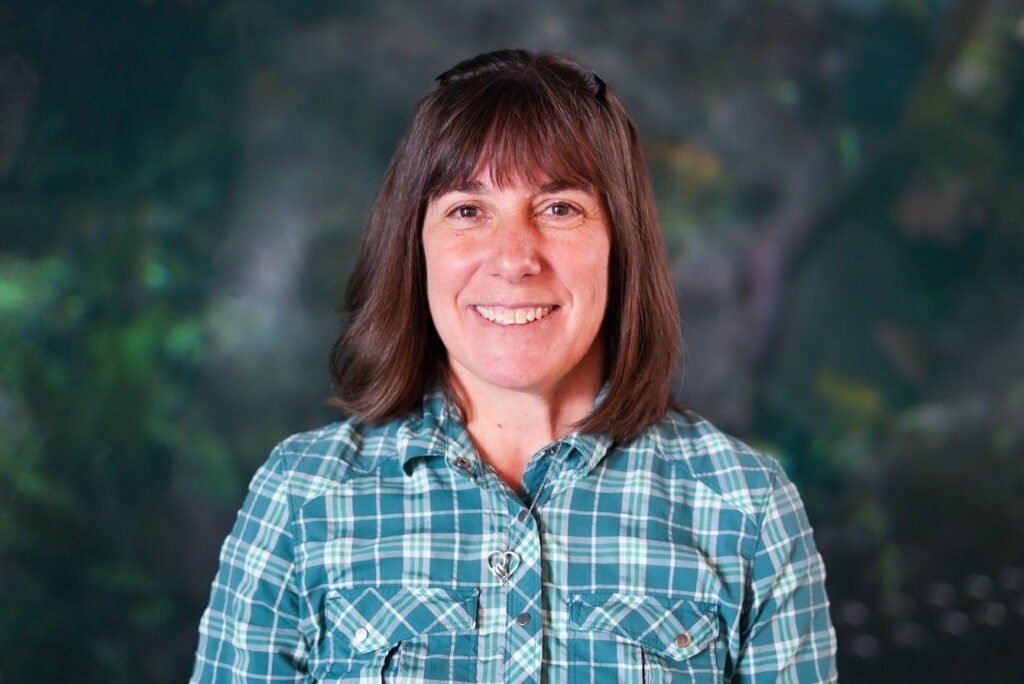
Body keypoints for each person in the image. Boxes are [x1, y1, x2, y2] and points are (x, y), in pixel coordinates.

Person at [191, 49, 837, 683]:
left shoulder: (746, 506)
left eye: (560, 208)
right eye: (468, 211)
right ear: (416, 245)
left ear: (621, 243)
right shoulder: (302, 496)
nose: (514, 258)